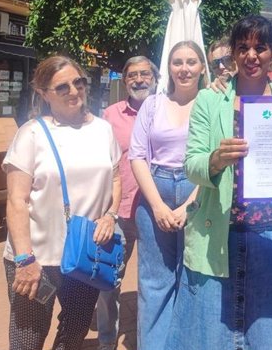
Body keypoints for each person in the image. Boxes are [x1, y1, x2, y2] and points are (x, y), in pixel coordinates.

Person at [166, 15, 272, 350]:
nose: (252, 55)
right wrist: (215, 160)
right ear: (233, 54)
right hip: (220, 230)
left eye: (260, 47)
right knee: (215, 336)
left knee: (266, 336)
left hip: (269, 233)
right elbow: (191, 165)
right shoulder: (211, 99)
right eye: (244, 47)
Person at [3, 55, 121, 350]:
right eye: (62, 87)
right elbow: (16, 200)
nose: (74, 91)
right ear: (44, 93)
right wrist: (24, 259)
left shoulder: (103, 130)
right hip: (38, 258)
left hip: (83, 256)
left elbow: (116, 179)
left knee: (75, 331)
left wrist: (110, 215)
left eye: (78, 82)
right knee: (27, 339)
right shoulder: (31, 133)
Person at [128, 42, 204, 350]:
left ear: (201, 67)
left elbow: (216, 160)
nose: (184, 68)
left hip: (197, 190)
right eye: (177, 62)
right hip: (154, 191)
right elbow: (136, 156)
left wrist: (190, 205)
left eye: (191, 61)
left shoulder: (211, 104)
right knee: (154, 281)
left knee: (193, 278)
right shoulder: (153, 105)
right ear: (168, 68)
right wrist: (157, 206)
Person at [96, 56, 159, 350]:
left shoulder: (167, 111)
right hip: (118, 212)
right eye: (132, 74)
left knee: (154, 279)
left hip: (156, 211)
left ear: (155, 77)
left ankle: (151, 337)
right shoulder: (109, 116)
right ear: (124, 80)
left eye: (145, 73)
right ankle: (107, 340)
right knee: (109, 280)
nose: (139, 79)